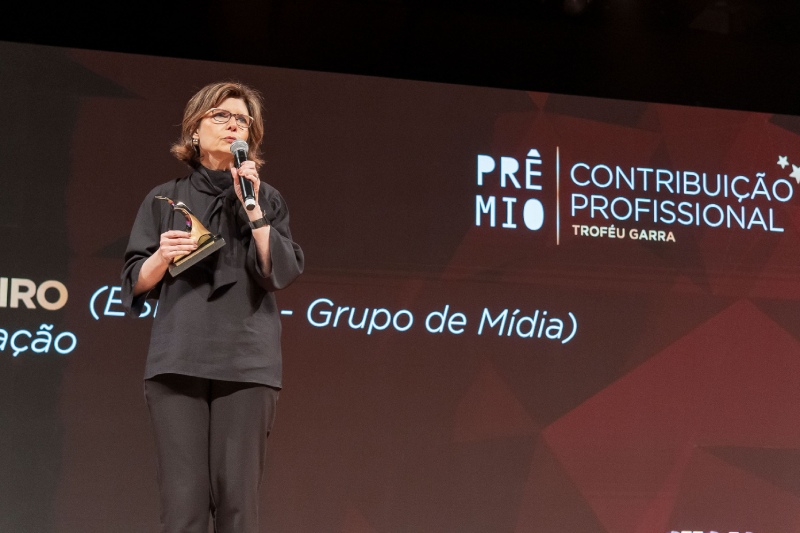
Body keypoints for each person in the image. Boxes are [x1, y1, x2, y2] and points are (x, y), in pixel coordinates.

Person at [121, 80, 304, 532]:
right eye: (221, 115)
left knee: (238, 502)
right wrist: (162, 256)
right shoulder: (164, 198)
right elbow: (134, 281)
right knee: (183, 504)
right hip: (178, 359)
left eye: (242, 119)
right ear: (194, 130)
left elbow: (279, 271)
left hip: (247, 362)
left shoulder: (267, 199)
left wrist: (253, 210)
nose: (234, 125)